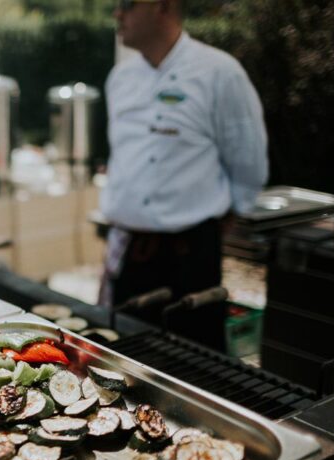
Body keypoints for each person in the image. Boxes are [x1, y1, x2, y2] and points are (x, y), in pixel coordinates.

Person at [99, 0, 268, 352]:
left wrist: (227, 215)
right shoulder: (121, 78)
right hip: (130, 252)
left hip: (190, 255)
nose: (118, 14)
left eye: (127, 5)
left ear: (162, 7)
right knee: (126, 356)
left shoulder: (220, 72)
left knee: (194, 362)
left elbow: (249, 162)